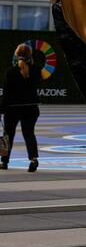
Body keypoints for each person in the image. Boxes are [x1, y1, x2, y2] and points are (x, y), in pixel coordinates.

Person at [1, 43, 40, 172]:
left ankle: (4, 162)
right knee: (29, 134)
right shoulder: (36, 70)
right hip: (31, 108)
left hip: (13, 108)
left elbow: (6, 93)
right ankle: (33, 159)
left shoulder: (10, 72)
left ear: (16, 55)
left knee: (8, 135)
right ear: (30, 56)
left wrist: (1, 108)